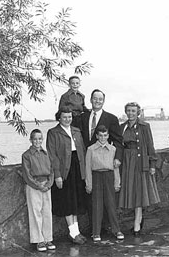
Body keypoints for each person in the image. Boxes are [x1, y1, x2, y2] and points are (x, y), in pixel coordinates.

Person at [77, 89, 123, 232]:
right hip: (86, 161)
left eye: (100, 99)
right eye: (95, 99)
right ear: (91, 100)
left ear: (103, 101)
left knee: (108, 199)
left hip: (104, 162)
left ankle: (107, 227)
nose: (97, 101)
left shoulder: (111, 118)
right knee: (90, 196)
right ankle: (94, 228)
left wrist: (117, 158)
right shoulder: (82, 117)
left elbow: (118, 142)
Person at [46, 106, 87, 245]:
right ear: (59, 118)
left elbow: (82, 152)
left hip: (77, 168)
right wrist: (57, 175)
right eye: (64, 117)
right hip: (64, 170)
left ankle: (76, 231)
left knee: (75, 201)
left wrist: (85, 172)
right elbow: (52, 156)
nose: (67, 119)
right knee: (67, 201)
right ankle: (73, 232)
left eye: (69, 117)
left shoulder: (76, 131)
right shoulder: (53, 133)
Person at [118, 102, 160, 236]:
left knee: (140, 192)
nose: (130, 113)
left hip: (140, 162)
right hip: (127, 163)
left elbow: (149, 145)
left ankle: (137, 222)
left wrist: (152, 164)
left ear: (138, 113)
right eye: (128, 111)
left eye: (133, 111)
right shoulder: (122, 127)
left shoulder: (144, 126)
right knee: (131, 192)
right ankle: (138, 219)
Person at [85, 125, 124, 242]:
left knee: (111, 204)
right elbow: (87, 168)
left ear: (108, 136)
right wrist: (89, 184)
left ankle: (116, 229)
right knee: (97, 205)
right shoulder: (90, 149)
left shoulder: (112, 149)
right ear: (96, 136)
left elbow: (115, 167)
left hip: (109, 176)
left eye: (105, 135)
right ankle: (96, 232)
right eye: (100, 135)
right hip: (96, 176)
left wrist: (117, 182)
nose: (103, 138)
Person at [21, 129, 56, 252]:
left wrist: (49, 184)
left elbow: (51, 171)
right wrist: (38, 185)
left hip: (46, 185)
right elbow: (27, 174)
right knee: (35, 212)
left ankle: (48, 238)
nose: (38, 141)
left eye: (40, 139)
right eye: (35, 139)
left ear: (42, 140)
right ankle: (39, 240)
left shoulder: (46, 154)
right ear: (31, 140)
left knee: (47, 212)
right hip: (34, 186)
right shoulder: (26, 155)